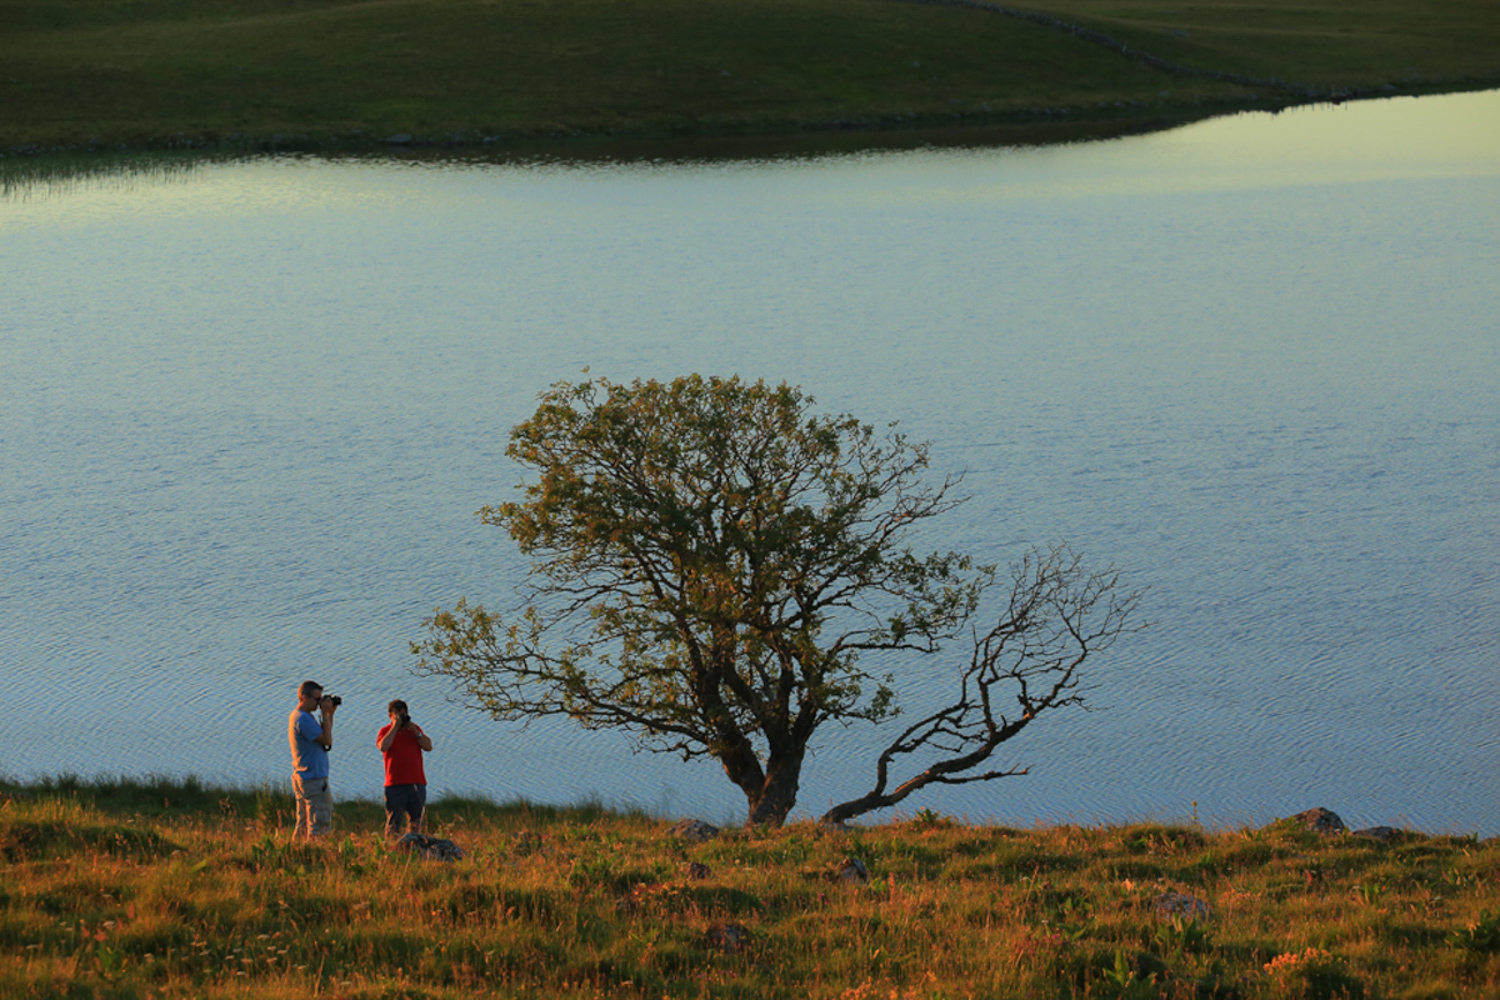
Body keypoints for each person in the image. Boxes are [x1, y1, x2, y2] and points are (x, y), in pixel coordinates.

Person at [288, 680, 338, 840]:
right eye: (317, 699)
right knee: (320, 824)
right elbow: (327, 741)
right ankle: (316, 856)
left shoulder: (301, 716)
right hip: (313, 779)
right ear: (304, 697)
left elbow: (325, 737)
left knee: (302, 824)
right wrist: (324, 713)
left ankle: (297, 853)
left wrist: (330, 715)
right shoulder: (303, 719)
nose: (319, 703)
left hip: (304, 776)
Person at [377, 699, 433, 840]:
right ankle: (391, 847)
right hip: (395, 784)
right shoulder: (385, 731)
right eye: (397, 715)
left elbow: (428, 746)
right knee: (394, 822)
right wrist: (395, 727)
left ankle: (414, 847)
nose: (401, 718)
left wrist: (414, 730)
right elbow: (383, 746)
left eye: (404, 714)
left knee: (415, 821)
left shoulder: (414, 731)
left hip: (416, 783)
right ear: (390, 715)